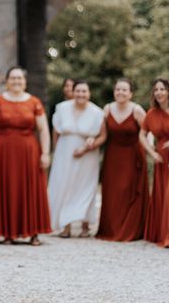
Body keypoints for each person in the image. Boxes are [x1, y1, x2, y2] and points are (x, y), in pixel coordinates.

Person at [0, 66, 52, 245]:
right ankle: (8, 232)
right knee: (8, 187)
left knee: (31, 188)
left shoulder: (34, 102)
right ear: (7, 81)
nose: (16, 82)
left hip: (29, 151)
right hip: (3, 151)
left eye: (19, 78)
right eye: (13, 78)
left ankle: (34, 232)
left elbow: (43, 129)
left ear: (25, 82)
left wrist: (45, 153)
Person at [48, 80, 106, 238]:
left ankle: (85, 225)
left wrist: (88, 147)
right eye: (78, 91)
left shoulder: (97, 112)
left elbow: (103, 136)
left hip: (87, 156)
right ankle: (65, 226)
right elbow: (56, 132)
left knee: (85, 188)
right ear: (72, 92)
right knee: (65, 186)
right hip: (64, 153)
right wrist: (55, 151)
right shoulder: (61, 108)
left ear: (89, 93)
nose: (81, 94)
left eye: (84, 91)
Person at [97, 78, 149, 241]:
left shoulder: (137, 110)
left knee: (130, 190)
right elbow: (102, 135)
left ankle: (131, 229)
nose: (120, 92)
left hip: (133, 154)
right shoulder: (107, 109)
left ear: (131, 93)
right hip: (113, 156)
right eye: (118, 89)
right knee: (113, 192)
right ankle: (111, 229)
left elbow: (148, 132)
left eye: (124, 90)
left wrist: (150, 151)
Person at [139, 78, 169, 248]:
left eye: (162, 89)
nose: (158, 92)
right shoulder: (150, 113)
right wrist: (151, 153)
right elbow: (142, 135)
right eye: (156, 89)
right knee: (162, 193)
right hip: (160, 158)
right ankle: (161, 232)